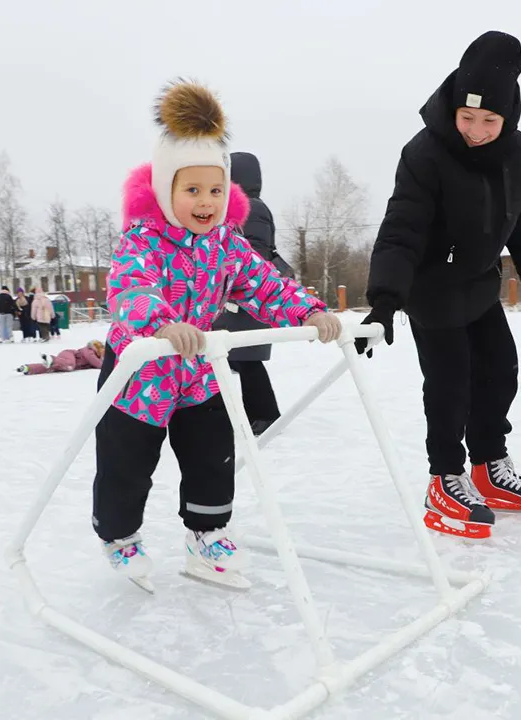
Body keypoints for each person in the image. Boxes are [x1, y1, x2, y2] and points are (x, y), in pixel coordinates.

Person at [93, 80, 341, 590]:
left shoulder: (226, 244)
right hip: (137, 378)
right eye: (192, 190)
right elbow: (130, 286)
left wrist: (311, 311)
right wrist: (160, 321)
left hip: (199, 372)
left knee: (212, 457)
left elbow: (265, 284)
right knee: (126, 466)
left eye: (215, 190)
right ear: (165, 190)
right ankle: (119, 537)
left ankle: (206, 535)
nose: (206, 202)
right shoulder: (142, 239)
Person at [357, 31, 521, 537]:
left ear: (508, 116)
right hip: (431, 286)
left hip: (478, 283)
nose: (475, 130)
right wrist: (384, 300)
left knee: (500, 371)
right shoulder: (425, 153)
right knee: (450, 385)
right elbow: (402, 228)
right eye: (466, 118)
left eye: (489, 120)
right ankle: (444, 477)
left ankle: (488, 468)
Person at [212, 152, 294, 436]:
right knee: (236, 358)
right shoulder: (240, 206)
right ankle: (254, 413)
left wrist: (235, 277)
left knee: (245, 359)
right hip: (239, 298)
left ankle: (266, 415)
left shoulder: (251, 206)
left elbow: (255, 248)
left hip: (247, 297)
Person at [17, 340, 105, 375]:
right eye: (102, 350)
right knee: (69, 365)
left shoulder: (94, 357)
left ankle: (27, 368)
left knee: (51, 367)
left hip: (64, 362)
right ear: (97, 347)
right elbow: (98, 364)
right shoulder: (89, 350)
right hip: (69, 355)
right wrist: (109, 365)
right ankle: (52, 359)